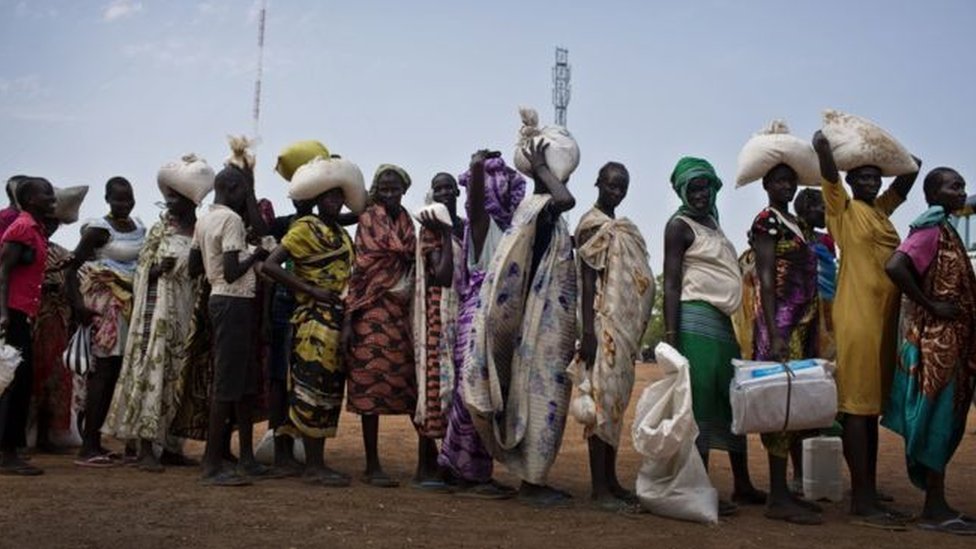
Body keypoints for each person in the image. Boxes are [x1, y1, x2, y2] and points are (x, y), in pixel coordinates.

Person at [812, 130, 920, 526]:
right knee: (856, 409)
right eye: (864, 177)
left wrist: (897, 154)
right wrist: (825, 150)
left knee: (869, 409)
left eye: (877, 176)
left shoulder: (881, 211)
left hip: (885, 319)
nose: (872, 182)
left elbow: (910, 175)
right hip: (857, 318)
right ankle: (861, 501)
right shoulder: (842, 209)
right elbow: (828, 177)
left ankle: (869, 490)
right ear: (852, 181)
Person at [464, 139, 578, 506]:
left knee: (547, 401)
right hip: (534, 325)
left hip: (547, 322)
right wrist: (542, 165)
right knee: (541, 401)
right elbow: (564, 199)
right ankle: (532, 484)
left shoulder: (547, 215)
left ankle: (536, 478)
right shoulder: (538, 207)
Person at [662, 157, 764, 516]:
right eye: (694, 188)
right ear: (683, 191)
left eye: (706, 186)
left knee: (732, 401)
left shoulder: (715, 227)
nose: (702, 193)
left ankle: (743, 484)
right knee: (702, 402)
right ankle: (700, 487)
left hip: (723, 325)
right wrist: (673, 338)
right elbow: (672, 283)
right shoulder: (679, 226)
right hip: (695, 322)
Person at [101, 156, 214, 472]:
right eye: (169, 197)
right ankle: (145, 447)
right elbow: (139, 273)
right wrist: (154, 270)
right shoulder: (159, 231)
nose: (170, 203)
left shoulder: (202, 229)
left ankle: (171, 446)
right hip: (157, 317)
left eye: (176, 198)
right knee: (153, 372)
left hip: (187, 313)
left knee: (179, 376)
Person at [883, 167, 976, 535]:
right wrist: (931, 304)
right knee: (936, 421)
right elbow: (896, 265)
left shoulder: (946, 230)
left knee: (947, 421)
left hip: (952, 344)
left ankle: (938, 504)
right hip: (938, 345)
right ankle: (933, 511)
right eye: (954, 186)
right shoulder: (930, 228)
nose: (961, 191)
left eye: (962, 186)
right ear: (933, 193)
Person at [263, 169, 361, 486]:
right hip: (312, 318)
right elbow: (270, 265)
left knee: (328, 390)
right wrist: (311, 290)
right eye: (328, 197)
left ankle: (315, 461)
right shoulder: (305, 228)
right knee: (311, 389)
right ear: (317, 201)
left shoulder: (343, 235)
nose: (334, 202)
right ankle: (314, 466)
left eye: (339, 197)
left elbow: (350, 279)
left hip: (337, 318)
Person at [437, 151, 523, 499]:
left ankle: (464, 469)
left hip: (495, 319)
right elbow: (473, 203)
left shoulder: (510, 232)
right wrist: (475, 167)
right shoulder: (482, 225)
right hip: (478, 319)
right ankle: (468, 474)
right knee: (474, 396)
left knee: (482, 396)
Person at [572, 161, 654, 509]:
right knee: (600, 405)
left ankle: (611, 480)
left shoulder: (624, 229)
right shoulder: (592, 226)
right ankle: (599, 489)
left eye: (622, 186)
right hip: (602, 326)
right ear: (598, 184)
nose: (616, 191)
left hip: (622, 331)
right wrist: (588, 332)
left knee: (615, 405)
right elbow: (589, 281)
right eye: (611, 185)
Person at [747, 164, 822, 525]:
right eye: (779, 180)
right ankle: (777, 496)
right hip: (780, 324)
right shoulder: (767, 221)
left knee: (797, 403)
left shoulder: (799, 223)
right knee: (781, 404)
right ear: (765, 184)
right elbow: (764, 277)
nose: (786, 186)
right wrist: (774, 333)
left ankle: (787, 491)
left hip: (804, 323)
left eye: (791, 180)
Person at [188, 158, 270, 486]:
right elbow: (235, 270)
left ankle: (246, 458)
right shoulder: (233, 220)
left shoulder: (205, 220)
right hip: (234, 302)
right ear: (234, 189)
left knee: (243, 383)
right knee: (227, 385)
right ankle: (211, 463)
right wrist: (256, 256)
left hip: (220, 301)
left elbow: (194, 266)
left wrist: (216, 268)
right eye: (245, 191)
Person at [343, 164, 416, 487]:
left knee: (412, 386)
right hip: (369, 311)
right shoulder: (369, 219)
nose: (389, 193)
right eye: (383, 188)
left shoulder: (407, 222)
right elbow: (360, 270)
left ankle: (428, 461)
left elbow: (415, 258)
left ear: (403, 190)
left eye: (395, 188)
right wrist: (348, 320)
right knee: (369, 388)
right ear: (375, 190)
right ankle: (372, 464)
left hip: (401, 315)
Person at [69, 176, 146, 466]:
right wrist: (78, 305)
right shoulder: (99, 231)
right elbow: (71, 268)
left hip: (129, 306)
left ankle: (101, 442)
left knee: (118, 374)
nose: (124, 204)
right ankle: (88, 445)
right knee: (102, 373)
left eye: (128, 199)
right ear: (107, 200)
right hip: (105, 309)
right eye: (118, 199)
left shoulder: (139, 227)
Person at [411, 173, 464, 490]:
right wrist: (445, 233)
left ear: (457, 191)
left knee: (454, 388)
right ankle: (424, 466)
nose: (445, 191)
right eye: (439, 188)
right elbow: (443, 275)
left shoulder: (465, 227)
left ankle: (445, 462)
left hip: (460, 314)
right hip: (437, 313)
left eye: (449, 187)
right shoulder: (432, 229)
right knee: (434, 387)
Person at [0, 176, 56, 475]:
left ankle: (11, 449)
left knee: (20, 382)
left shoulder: (35, 229)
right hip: (13, 312)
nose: (52, 197)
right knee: (15, 382)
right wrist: (4, 315)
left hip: (22, 312)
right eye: (47, 193)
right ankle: (8, 454)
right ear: (32, 200)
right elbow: (3, 272)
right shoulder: (22, 228)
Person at [30, 186, 88, 452]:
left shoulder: (60, 253)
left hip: (56, 326)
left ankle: (45, 435)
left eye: (54, 222)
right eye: (47, 221)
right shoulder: (27, 246)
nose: (51, 226)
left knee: (53, 381)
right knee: (31, 379)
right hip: (35, 322)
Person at [264, 199, 315, 470]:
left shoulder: (326, 224)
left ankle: (299, 446)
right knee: (278, 377)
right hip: (284, 302)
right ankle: (279, 446)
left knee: (305, 377)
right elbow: (270, 263)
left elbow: (354, 211)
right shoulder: (284, 223)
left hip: (310, 305)